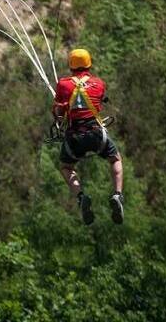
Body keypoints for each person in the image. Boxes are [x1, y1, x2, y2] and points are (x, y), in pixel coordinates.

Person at [52, 49, 124, 226]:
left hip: (74, 137)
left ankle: (81, 197)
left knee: (66, 167)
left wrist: (60, 107)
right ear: (89, 64)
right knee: (115, 159)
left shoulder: (63, 84)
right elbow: (96, 102)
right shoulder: (99, 83)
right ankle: (117, 194)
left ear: (71, 65)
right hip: (96, 134)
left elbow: (58, 114)